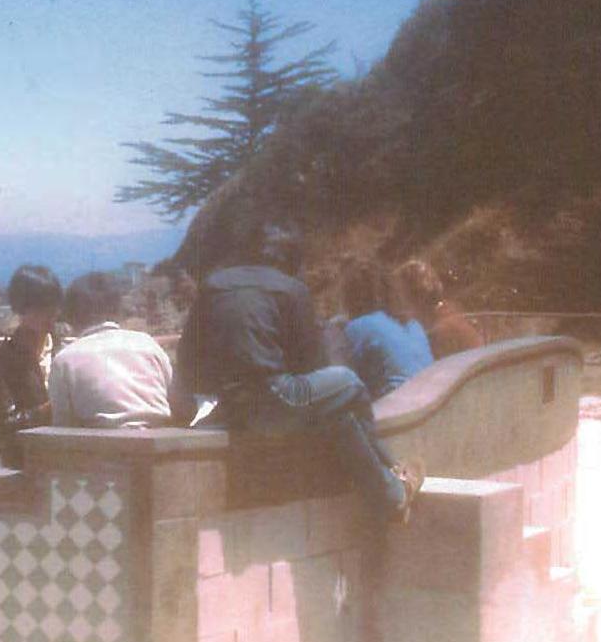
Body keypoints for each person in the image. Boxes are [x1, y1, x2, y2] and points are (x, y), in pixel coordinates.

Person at [174, 222, 424, 524]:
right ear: (289, 262)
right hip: (275, 401)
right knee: (350, 383)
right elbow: (314, 365)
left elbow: (188, 359)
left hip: (232, 409)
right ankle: (392, 473)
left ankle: (391, 493)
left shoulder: (213, 286)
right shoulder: (291, 289)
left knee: (339, 416)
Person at [49, 272, 173, 428]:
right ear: (119, 309)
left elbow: (61, 427)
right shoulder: (148, 344)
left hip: (101, 449)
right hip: (162, 444)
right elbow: (175, 399)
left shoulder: (65, 359)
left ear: (71, 316)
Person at [0, 264, 63, 468]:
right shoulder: (2, 360)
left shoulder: (66, 350)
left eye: (55, 305)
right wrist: (49, 410)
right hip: (25, 462)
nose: (51, 313)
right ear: (21, 309)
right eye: (41, 307)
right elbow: (2, 427)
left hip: (67, 460)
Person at [343, 261, 434, 400]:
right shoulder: (414, 324)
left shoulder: (358, 327)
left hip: (400, 411)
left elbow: (344, 380)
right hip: (432, 400)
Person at [394, 259, 483, 359]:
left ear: (416, 298)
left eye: (400, 297)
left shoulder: (440, 334)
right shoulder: (452, 313)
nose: (399, 306)